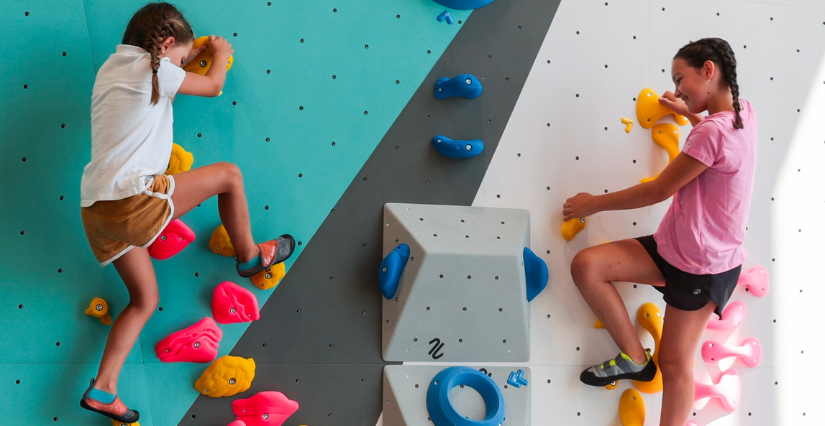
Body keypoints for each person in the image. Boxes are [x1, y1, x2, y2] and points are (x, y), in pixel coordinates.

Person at [77, 3, 294, 422]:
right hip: (131, 198)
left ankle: (103, 390)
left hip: (96, 210)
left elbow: (173, 67)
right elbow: (212, 86)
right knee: (229, 175)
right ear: (165, 44)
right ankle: (251, 256)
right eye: (179, 58)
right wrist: (222, 53)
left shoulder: (115, 66)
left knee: (144, 299)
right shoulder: (148, 68)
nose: (182, 66)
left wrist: (188, 54)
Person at [563, 37, 756, 426]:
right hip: (675, 247)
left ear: (708, 70)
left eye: (680, 77)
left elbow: (658, 190)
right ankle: (636, 360)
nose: (678, 86)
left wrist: (592, 204)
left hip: (703, 266)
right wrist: (689, 115)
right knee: (588, 266)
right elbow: (720, 147)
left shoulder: (713, 132)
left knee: (674, 362)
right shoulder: (743, 112)